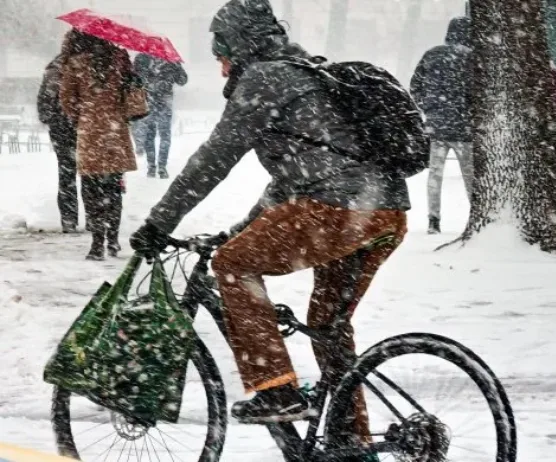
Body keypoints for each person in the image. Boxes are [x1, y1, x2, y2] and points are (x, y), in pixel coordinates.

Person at [130, 0, 409, 437]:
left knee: (232, 265)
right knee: (327, 325)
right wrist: (237, 231)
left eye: (220, 51)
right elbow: (291, 182)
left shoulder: (263, 78)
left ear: (239, 45)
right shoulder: (303, 74)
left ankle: (277, 391)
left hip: (337, 210)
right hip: (385, 213)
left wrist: (158, 224)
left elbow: (213, 159)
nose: (220, 64)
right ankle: (349, 440)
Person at [59, 29, 138, 260]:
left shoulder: (75, 64)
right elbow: (129, 99)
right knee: (114, 190)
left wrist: (82, 116)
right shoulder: (120, 60)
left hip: (90, 133)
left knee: (91, 190)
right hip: (116, 133)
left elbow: (67, 100)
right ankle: (113, 240)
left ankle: (96, 244)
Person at [410, 16, 474, 235]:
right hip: (464, 129)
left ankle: (433, 219)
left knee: (435, 176)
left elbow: (415, 86)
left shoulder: (432, 54)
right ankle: (476, 215)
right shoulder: (472, 58)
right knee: (470, 176)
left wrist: (428, 108)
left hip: (436, 127)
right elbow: (479, 93)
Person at [37, 53, 79, 233]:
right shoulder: (93, 64)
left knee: (66, 172)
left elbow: (44, 100)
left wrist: (51, 117)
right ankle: (96, 217)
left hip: (61, 127)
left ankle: (68, 218)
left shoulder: (56, 66)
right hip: (87, 126)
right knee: (91, 173)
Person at [132, 53, 188, 179]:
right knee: (164, 135)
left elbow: (134, 79)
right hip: (164, 100)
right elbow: (182, 80)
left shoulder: (141, 58)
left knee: (150, 135)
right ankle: (162, 167)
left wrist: (147, 78)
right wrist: (175, 66)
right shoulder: (169, 58)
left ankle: (151, 167)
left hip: (149, 99)